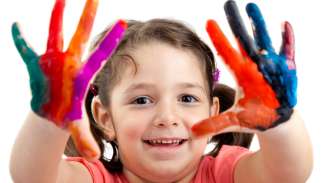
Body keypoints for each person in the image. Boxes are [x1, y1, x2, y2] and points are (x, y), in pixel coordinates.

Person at [10, 0, 313, 182]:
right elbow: (31, 177)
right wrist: (49, 118)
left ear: (214, 112)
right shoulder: (95, 176)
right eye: (142, 100)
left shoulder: (226, 172)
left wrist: (278, 120)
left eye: (187, 98)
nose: (167, 117)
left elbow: (289, 174)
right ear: (104, 116)